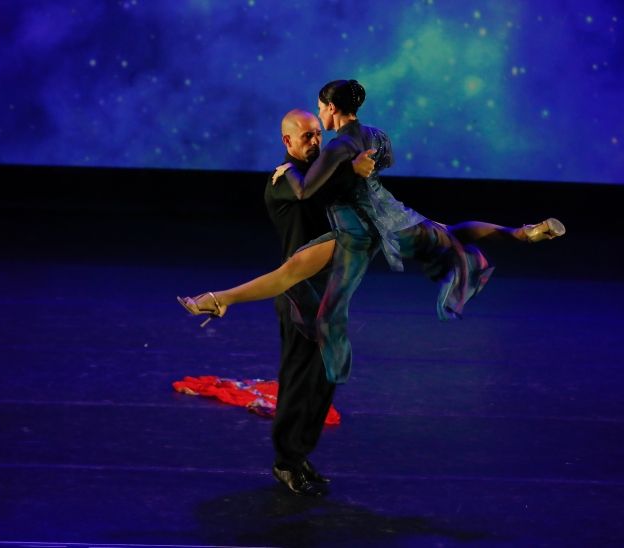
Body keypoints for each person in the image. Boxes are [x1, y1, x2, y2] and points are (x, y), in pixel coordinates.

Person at [179, 78, 565, 386]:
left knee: (304, 283)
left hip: (357, 230)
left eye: (319, 113)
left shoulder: (335, 149)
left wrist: (306, 172)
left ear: (330, 109)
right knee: (447, 232)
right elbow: (385, 161)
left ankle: (226, 303)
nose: (319, 126)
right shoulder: (376, 135)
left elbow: (306, 190)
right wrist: (363, 170)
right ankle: (521, 233)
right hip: (391, 214)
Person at [266, 109, 374, 496]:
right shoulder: (284, 178)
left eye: (317, 135)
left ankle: (301, 454)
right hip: (298, 292)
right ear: (287, 141)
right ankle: (285, 461)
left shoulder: (320, 177)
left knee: (324, 378)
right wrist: (349, 170)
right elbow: (303, 191)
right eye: (307, 137)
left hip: (331, 290)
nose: (315, 142)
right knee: (298, 378)